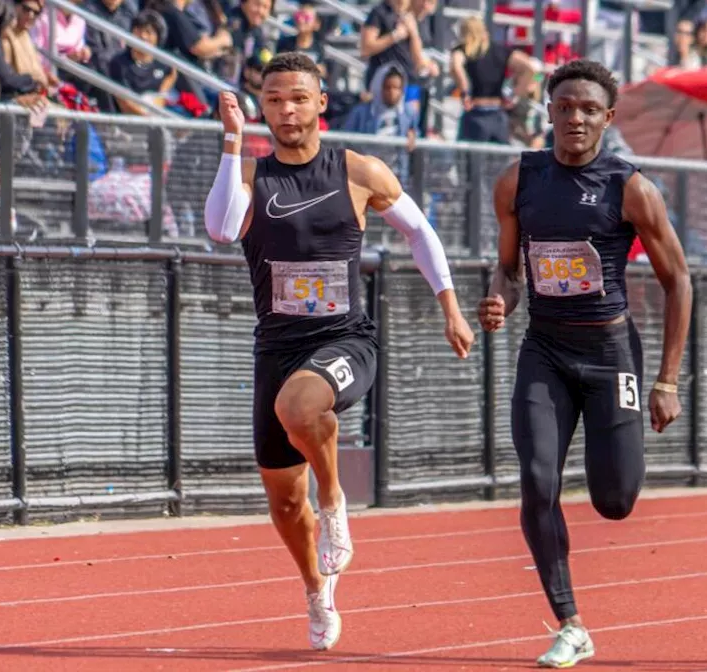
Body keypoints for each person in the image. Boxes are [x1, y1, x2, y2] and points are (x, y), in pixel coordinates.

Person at [202, 52, 475, 650]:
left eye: (298, 97)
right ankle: (316, 590)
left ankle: (334, 499)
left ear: (321, 102)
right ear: (262, 107)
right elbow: (222, 229)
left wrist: (450, 305)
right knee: (281, 498)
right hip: (277, 345)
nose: (286, 110)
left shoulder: (358, 171)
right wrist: (231, 140)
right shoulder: (251, 178)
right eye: (273, 99)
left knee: (301, 410)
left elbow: (420, 232)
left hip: (344, 338)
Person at [476, 59, 692, 668]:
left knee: (615, 501)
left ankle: (619, 458)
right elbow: (510, 270)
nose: (574, 118)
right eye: (564, 107)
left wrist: (667, 380)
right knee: (537, 479)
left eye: (588, 110)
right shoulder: (518, 179)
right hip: (544, 350)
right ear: (548, 110)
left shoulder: (631, 188)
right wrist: (500, 298)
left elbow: (679, 281)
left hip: (610, 354)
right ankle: (570, 621)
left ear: (607, 118)